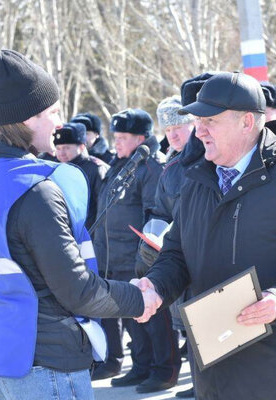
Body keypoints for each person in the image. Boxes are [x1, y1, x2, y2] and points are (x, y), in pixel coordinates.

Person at [0, 49, 158, 400]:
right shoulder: (33, 190)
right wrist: (139, 299)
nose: (60, 123)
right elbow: (77, 289)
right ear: (28, 117)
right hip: (45, 367)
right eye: (53, 112)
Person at [135, 72, 276, 400]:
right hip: (216, 373)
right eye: (198, 121)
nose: (199, 130)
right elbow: (176, 254)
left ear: (247, 122)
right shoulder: (196, 182)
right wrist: (155, 287)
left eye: (210, 121)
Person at [92, 109, 169, 393]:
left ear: (141, 138)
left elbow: (154, 215)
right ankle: (141, 366)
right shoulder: (122, 164)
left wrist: (144, 260)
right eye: (116, 136)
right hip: (115, 257)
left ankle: (163, 370)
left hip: (138, 260)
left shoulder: (151, 167)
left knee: (153, 320)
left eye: (123, 137)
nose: (117, 142)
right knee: (133, 321)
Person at [137, 94, 199, 398]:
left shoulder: (206, 159)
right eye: (168, 129)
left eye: (178, 127)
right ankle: (200, 382)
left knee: (204, 324)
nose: (173, 134)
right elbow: (161, 210)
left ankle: (207, 384)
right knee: (189, 326)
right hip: (175, 258)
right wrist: (153, 235)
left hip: (199, 257)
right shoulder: (171, 166)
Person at [53, 122, 109, 230]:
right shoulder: (54, 168)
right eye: (58, 148)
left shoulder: (96, 169)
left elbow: (104, 208)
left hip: (88, 232)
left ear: (82, 147)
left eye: (67, 148)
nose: (61, 153)